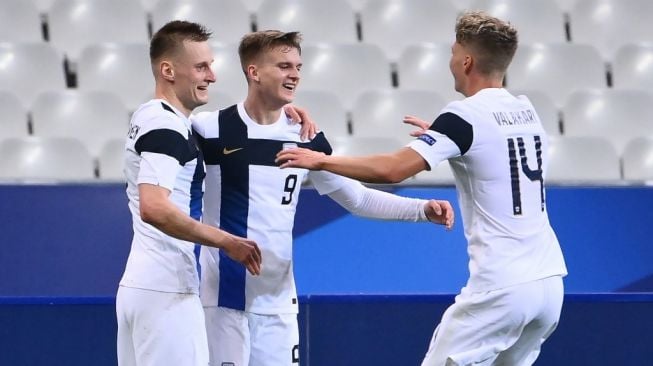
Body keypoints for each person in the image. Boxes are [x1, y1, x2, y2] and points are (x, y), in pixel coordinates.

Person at [277, 11, 568, 366]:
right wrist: (442, 137)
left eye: (452, 52)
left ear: (466, 61)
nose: (449, 61)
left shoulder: (464, 117)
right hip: (550, 285)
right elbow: (494, 150)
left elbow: (393, 170)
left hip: (502, 287)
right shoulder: (526, 110)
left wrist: (320, 161)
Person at [191, 30, 455, 366]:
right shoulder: (208, 129)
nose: (295, 74)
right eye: (284, 66)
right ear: (253, 72)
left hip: (278, 306)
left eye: (298, 66)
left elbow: (356, 199)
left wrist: (421, 209)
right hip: (222, 303)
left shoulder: (305, 137)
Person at [115, 20, 264, 366]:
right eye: (201, 66)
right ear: (168, 70)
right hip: (166, 291)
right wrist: (225, 240)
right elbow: (154, 206)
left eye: (210, 66)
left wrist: (281, 112)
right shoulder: (165, 125)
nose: (211, 76)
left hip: (144, 288)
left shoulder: (157, 118)